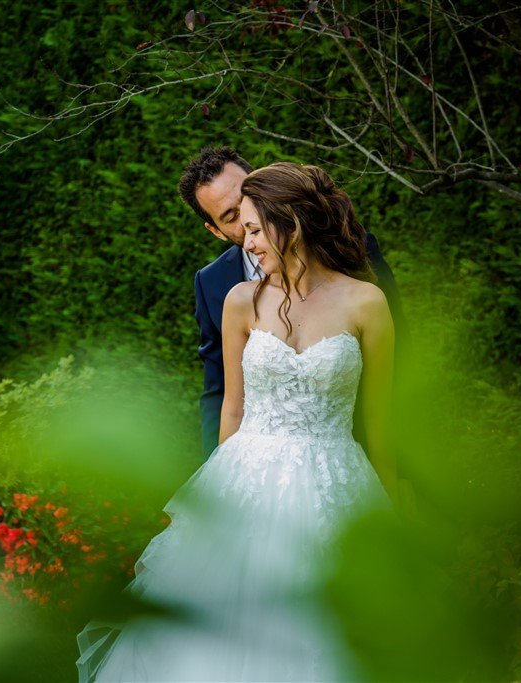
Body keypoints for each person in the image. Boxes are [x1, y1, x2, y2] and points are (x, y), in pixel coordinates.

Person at [76, 162, 396, 682]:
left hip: (335, 477)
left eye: (253, 228)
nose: (246, 242)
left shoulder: (366, 301)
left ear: (290, 220)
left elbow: (382, 420)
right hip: (248, 476)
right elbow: (229, 404)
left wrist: (396, 506)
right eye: (237, 227)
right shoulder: (238, 300)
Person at [181, 147, 406, 458]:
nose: (247, 215)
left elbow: (397, 361)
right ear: (216, 231)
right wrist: (215, 468)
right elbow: (220, 391)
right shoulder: (215, 285)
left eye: (247, 196)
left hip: (343, 455)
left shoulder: (356, 250)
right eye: (232, 216)